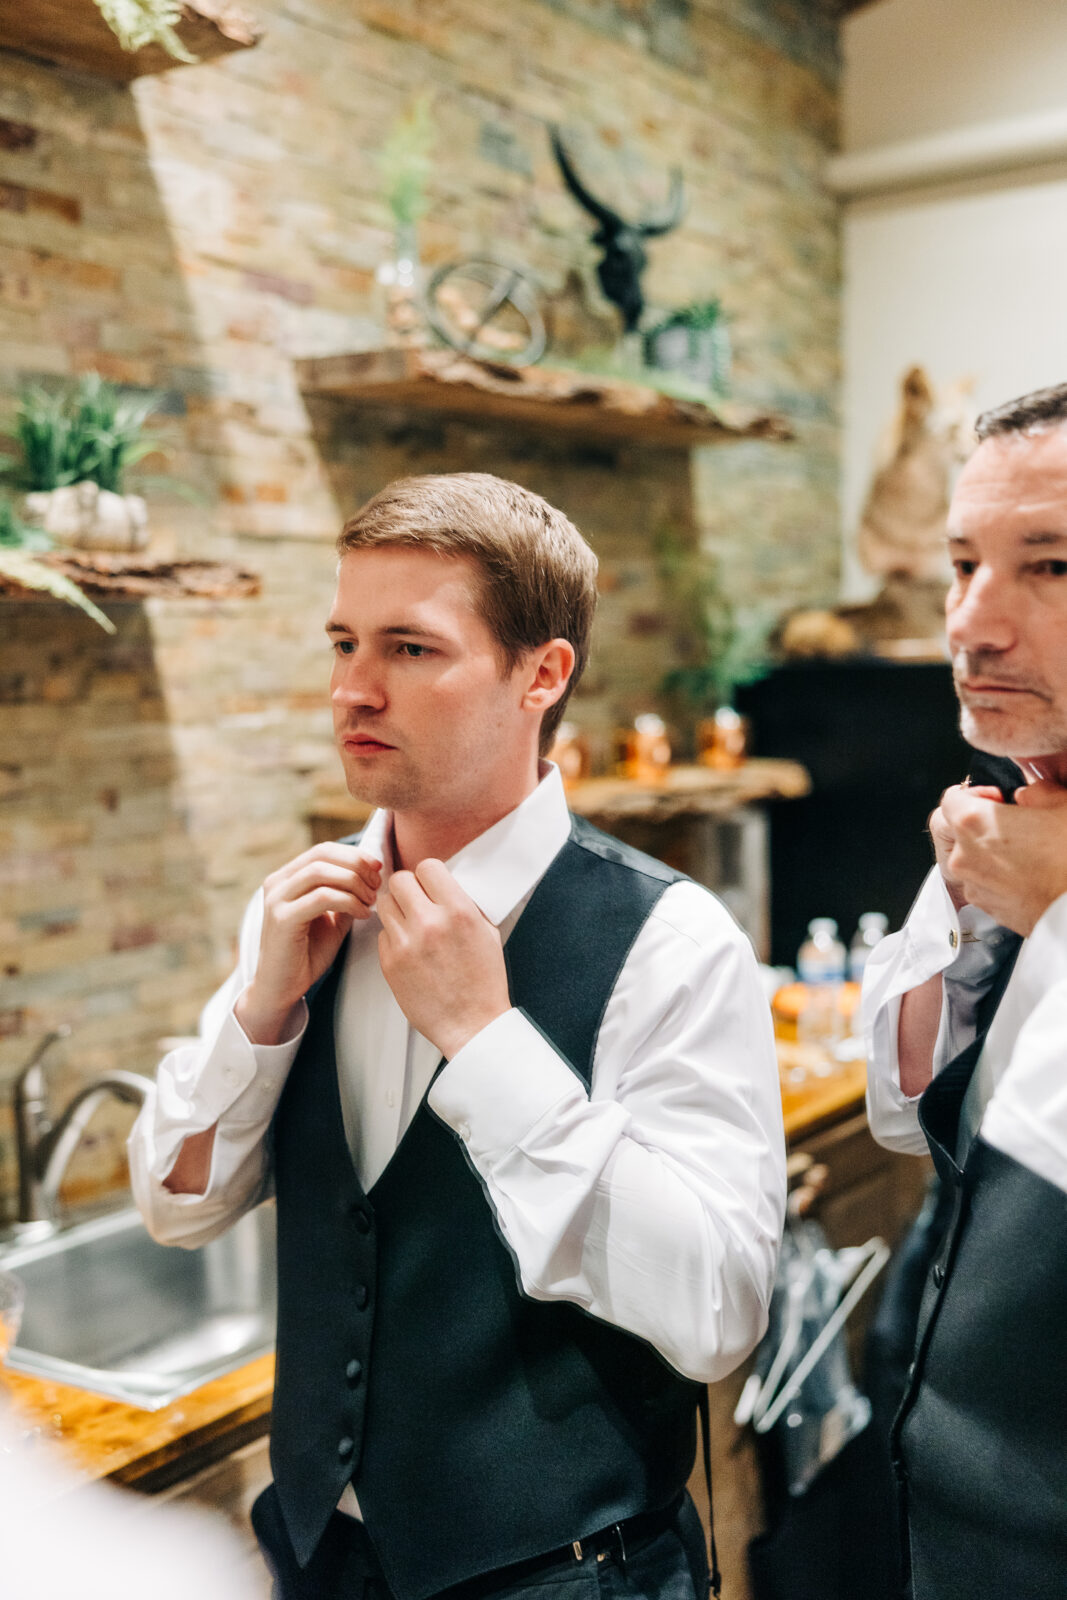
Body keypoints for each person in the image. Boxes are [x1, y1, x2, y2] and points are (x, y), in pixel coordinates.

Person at [129, 473, 786, 1600]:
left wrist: (488, 1045)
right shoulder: (300, 911)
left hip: (569, 1576)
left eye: (409, 649)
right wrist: (261, 1016)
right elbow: (176, 1205)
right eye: (342, 642)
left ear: (542, 674)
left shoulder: (674, 944)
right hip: (321, 1560)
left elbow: (719, 1310)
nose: (350, 690)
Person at [862, 384, 1067, 1600]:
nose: (970, 626)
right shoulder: (999, 820)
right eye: (958, 564)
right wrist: (975, 905)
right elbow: (901, 1108)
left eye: (1049, 565)